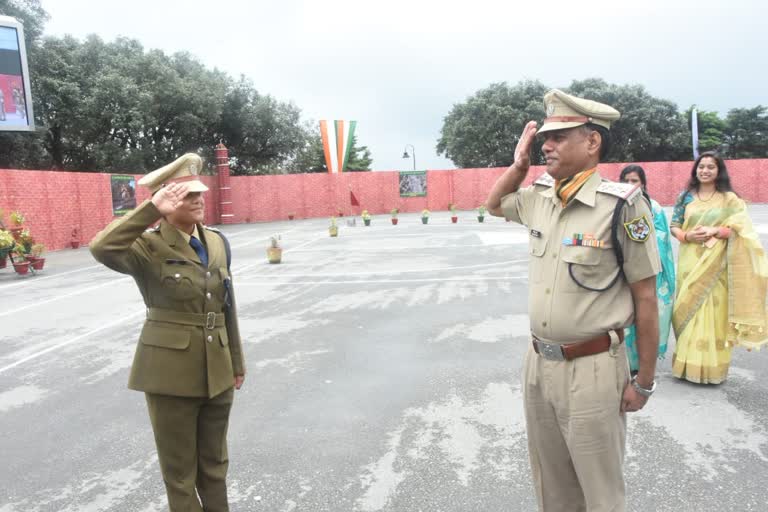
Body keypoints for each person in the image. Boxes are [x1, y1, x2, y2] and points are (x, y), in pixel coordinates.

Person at [485, 89, 661, 512]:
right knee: (553, 486)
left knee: (599, 490)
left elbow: (646, 299)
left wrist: (645, 381)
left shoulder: (622, 207)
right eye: (545, 136)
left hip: (594, 368)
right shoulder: (540, 196)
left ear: (592, 142)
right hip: (538, 365)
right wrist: (519, 166)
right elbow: (494, 205)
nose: (547, 144)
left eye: (559, 136)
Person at [90, 153, 246, 511]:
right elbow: (101, 247)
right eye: (187, 195)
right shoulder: (146, 247)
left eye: (199, 193)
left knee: (215, 465)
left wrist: (236, 360)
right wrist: (149, 210)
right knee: (179, 473)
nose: (198, 199)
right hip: (170, 374)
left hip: (218, 368)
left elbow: (227, 305)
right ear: (165, 200)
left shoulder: (218, 242)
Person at [669, 151, 768, 384]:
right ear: (695, 170)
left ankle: (711, 370)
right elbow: (674, 224)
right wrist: (686, 236)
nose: (704, 170)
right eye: (701, 166)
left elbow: (742, 231)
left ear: (718, 170)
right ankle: (685, 367)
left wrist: (717, 231)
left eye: (710, 167)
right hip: (689, 262)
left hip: (717, 264)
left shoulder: (730, 199)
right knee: (687, 310)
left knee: (713, 312)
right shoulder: (685, 196)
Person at [619, 165, 676, 375]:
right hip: (623, 272)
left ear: (643, 184)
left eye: (634, 181)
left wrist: (642, 242)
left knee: (646, 315)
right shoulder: (615, 206)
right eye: (626, 180)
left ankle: (644, 363)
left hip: (651, 272)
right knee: (625, 314)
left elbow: (662, 239)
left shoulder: (655, 208)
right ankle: (627, 360)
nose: (630, 185)